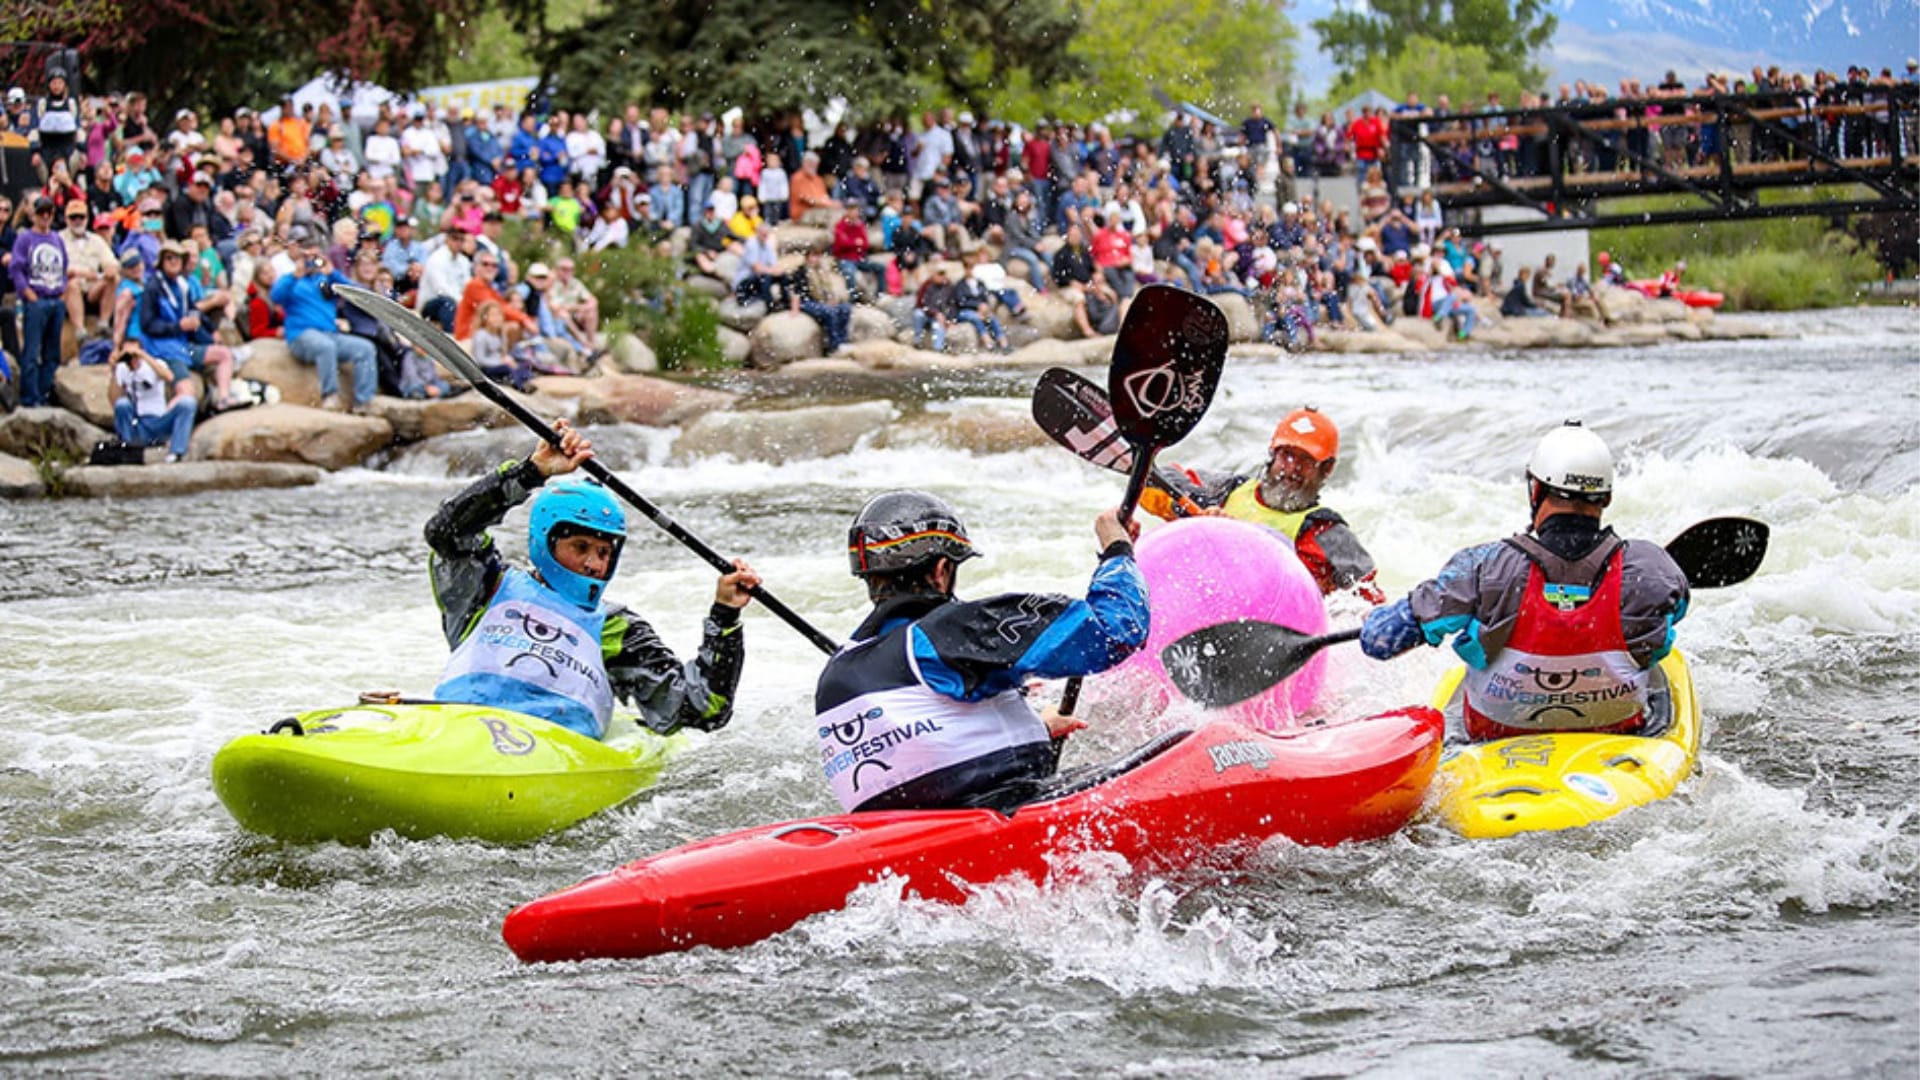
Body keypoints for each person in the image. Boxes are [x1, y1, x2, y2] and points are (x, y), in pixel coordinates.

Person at [814, 491, 1147, 812]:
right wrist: (1116, 549)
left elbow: (923, 752)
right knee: (1181, 742)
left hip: (906, 839)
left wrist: (1038, 731)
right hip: (998, 813)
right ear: (941, 570)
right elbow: (1117, 630)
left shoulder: (837, 668)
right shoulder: (947, 631)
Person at [426, 419, 759, 739]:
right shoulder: (485, 588)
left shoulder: (617, 628)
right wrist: (530, 473)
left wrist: (725, 616)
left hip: (554, 748)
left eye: (604, 553)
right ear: (546, 540)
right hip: (459, 728)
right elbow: (446, 532)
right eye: (581, 547)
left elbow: (701, 709)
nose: (593, 564)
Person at [1359, 422, 1689, 742]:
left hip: (1498, 734)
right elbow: (1674, 613)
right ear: (1606, 497)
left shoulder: (1484, 566)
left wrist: (1375, 621)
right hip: (1615, 731)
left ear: (1536, 489)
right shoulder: (1651, 567)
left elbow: (1380, 641)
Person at [1142, 406, 1383, 602]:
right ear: (1272, 454)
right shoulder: (1226, 491)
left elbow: (1371, 608)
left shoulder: (1331, 536)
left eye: (1306, 460)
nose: (1292, 469)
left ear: (1327, 468)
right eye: (1286, 455)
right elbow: (1154, 483)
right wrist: (1201, 512)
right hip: (1207, 605)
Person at [109, 340, 196, 463]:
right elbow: (114, 401)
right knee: (122, 404)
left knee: (188, 403)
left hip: (158, 422)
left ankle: (176, 452)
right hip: (137, 425)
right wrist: (114, 371)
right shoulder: (122, 368)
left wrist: (143, 356)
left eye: (134, 352)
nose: (131, 357)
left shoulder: (154, 364)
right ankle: (127, 450)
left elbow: (169, 377)